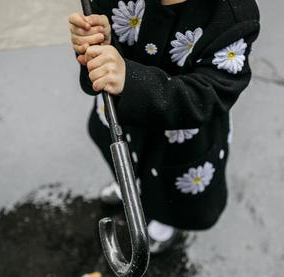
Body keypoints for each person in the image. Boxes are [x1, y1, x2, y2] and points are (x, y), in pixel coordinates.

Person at [68, 0, 260, 253]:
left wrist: (130, 79)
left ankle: (163, 218)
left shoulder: (232, 14)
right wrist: (97, 43)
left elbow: (211, 93)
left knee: (169, 193)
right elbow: (103, 56)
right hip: (122, 124)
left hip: (181, 137)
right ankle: (128, 186)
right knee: (123, 162)